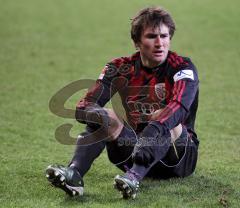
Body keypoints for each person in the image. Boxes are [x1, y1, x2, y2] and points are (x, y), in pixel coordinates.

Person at [45, 6, 199, 199]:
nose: (160, 43)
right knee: (106, 115)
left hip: (178, 158)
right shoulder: (119, 67)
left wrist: (152, 131)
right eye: (152, 37)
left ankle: (134, 177)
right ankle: (74, 174)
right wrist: (98, 116)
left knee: (168, 117)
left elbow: (180, 105)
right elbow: (85, 104)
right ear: (137, 42)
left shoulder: (182, 67)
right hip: (131, 150)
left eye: (164, 36)